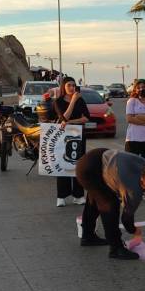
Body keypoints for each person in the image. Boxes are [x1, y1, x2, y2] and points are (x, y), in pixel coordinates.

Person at [75, 148, 145, 259]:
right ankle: (116, 249)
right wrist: (135, 230)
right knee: (109, 206)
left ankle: (88, 236)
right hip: (89, 170)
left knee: (96, 199)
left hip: (96, 158)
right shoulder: (134, 189)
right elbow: (126, 218)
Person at [53, 77, 89, 207]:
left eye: (74, 85)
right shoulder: (58, 102)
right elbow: (64, 117)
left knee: (78, 164)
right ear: (63, 86)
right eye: (69, 85)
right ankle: (61, 196)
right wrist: (73, 100)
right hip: (63, 136)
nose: (72, 88)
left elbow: (86, 118)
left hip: (78, 135)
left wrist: (71, 122)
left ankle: (78, 195)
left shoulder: (81, 101)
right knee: (63, 163)